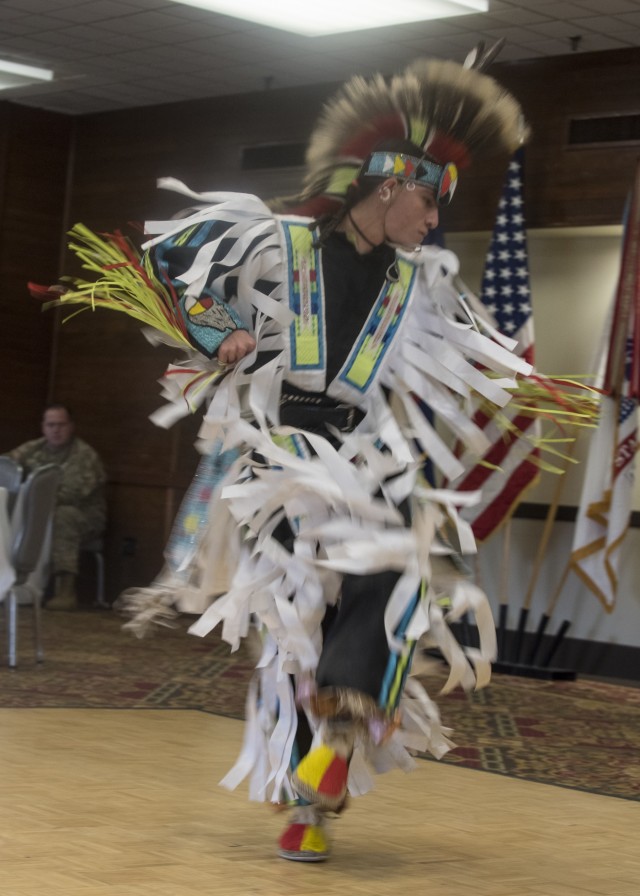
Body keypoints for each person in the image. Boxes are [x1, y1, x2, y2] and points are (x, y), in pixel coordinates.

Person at [45, 56, 532, 861]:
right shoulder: (281, 240)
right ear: (387, 187)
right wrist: (216, 332)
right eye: (429, 199)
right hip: (274, 458)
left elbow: (477, 348)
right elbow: (165, 268)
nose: (434, 219)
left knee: (405, 558)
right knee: (298, 629)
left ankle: (335, 743)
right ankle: (306, 796)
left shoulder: (415, 283)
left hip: (362, 452)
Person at [7, 403, 106, 610]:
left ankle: (65, 590)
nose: (56, 430)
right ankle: (8, 582)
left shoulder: (84, 456)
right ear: (43, 427)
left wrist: (32, 501)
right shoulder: (33, 448)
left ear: (71, 426)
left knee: (64, 515)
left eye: (61, 424)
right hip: (39, 512)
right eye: (51, 425)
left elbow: (70, 495)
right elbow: (6, 466)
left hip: (84, 517)